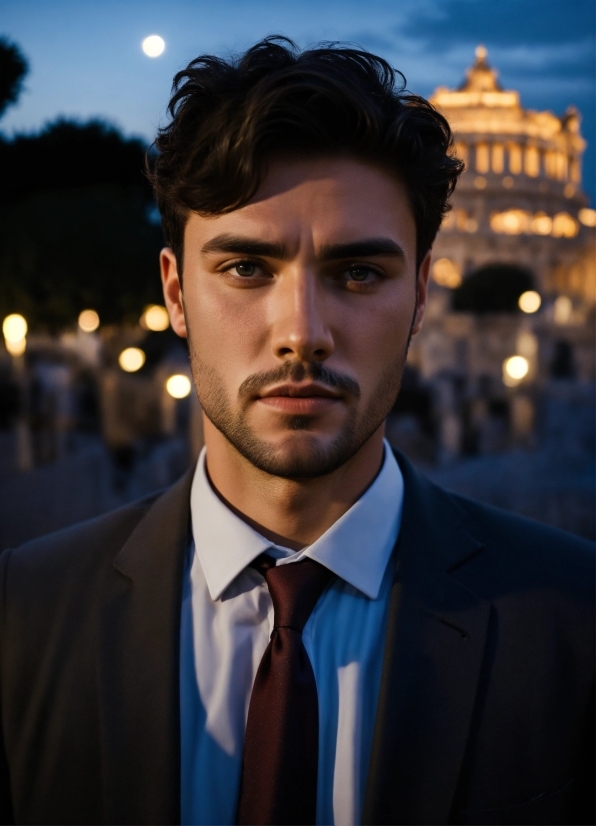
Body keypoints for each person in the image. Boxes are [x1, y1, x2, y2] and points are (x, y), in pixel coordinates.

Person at [0, 36, 593, 826]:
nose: (302, 332)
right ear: (176, 293)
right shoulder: (21, 619)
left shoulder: (576, 620)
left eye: (358, 273)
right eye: (247, 269)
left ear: (422, 296)